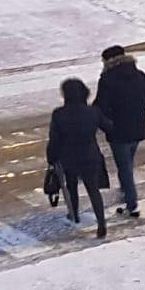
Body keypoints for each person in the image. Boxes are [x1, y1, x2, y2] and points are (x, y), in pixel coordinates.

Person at [93, 45, 145, 219]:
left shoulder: (107, 79)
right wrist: (135, 104)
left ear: (109, 61)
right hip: (137, 128)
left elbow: (101, 106)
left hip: (118, 131)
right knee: (127, 163)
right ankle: (125, 191)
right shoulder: (138, 74)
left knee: (125, 168)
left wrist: (103, 122)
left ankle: (132, 205)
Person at [46, 77, 111, 239]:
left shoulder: (59, 114)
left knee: (71, 185)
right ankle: (101, 222)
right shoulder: (93, 112)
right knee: (93, 189)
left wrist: (51, 158)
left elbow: (54, 139)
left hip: (68, 156)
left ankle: (74, 213)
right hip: (90, 154)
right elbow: (108, 126)